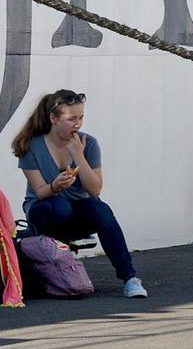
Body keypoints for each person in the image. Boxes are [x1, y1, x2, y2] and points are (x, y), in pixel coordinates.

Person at [12, 89, 148, 298]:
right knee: (60, 206)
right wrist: (56, 185)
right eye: (71, 118)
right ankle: (62, 264)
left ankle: (130, 278)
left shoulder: (89, 143)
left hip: (78, 211)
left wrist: (78, 155)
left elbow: (95, 189)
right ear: (53, 119)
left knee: (101, 210)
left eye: (81, 117)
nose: (77, 124)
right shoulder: (31, 146)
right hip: (44, 210)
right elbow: (39, 192)